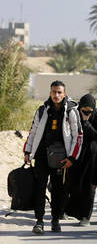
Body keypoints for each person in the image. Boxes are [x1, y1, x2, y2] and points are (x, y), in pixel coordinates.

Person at [23, 80, 83, 234]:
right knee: (40, 188)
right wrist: (28, 151)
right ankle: (39, 221)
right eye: (54, 92)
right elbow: (33, 131)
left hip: (61, 158)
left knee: (58, 190)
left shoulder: (71, 111)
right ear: (50, 93)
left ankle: (55, 220)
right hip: (42, 156)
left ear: (64, 94)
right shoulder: (42, 110)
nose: (56, 95)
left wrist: (72, 158)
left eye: (59, 92)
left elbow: (78, 136)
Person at [65, 94, 97, 227]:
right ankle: (70, 211)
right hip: (76, 154)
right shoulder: (74, 113)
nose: (86, 112)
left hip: (92, 156)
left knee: (89, 187)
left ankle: (85, 217)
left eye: (89, 110)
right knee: (73, 183)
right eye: (84, 110)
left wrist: (86, 122)